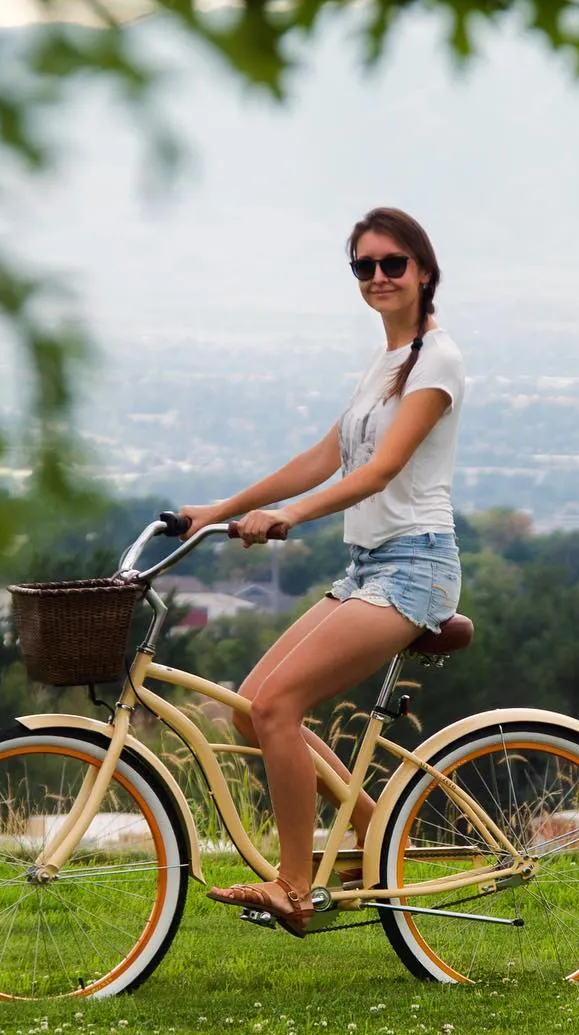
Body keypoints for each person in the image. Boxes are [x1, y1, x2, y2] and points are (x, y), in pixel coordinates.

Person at [178, 207, 465, 936]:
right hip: (369, 566)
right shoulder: (384, 363)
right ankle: (375, 838)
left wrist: (292, 518)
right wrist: (224, 508)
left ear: (423, 270)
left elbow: (382, 469)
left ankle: (293, 884)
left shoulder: (437, 360)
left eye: (391, 264)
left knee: (277, 708)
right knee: (251, 707)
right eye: (363, 267)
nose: (377, 277)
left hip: (414, 570)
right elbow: (326, 455)